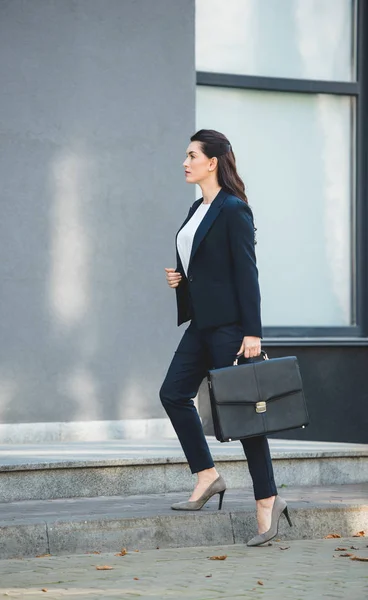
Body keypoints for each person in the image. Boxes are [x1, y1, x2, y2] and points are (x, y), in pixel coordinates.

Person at [159, 129, 292, 547]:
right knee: (173, 393)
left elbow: (246, 273)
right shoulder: (197, 207)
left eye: (192, 155)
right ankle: (207, 475)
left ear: (212, 161)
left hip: (233, 329)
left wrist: (253, 332)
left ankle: (267, 502)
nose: (185, 161)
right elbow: (202, 265)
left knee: (246, 416)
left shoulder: (234, 210)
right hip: (202, 324)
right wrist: (181, 281)